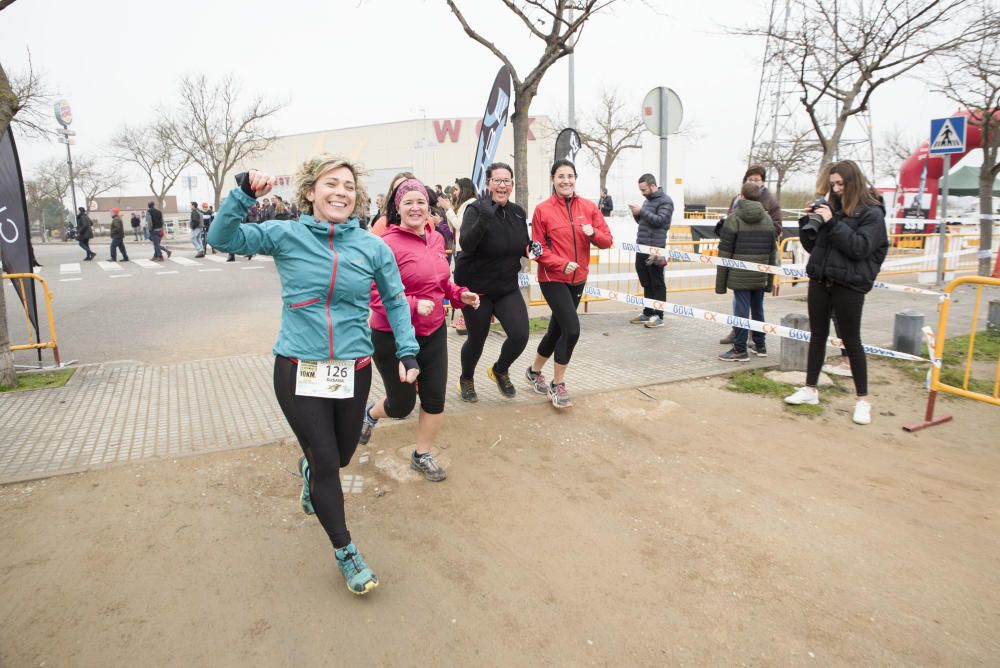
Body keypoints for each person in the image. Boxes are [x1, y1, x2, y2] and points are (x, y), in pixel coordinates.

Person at [207, 156, 420, 596]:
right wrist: (244, 194)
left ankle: (310, 468)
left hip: (351, 369)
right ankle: (346, 552)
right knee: (328, 464)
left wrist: (408, 351)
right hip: (298, 368)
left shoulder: (371, 246)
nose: (340, 192)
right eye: (331, 184)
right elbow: (221, 236)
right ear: (310, 192)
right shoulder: (286, 234)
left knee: (339, 457)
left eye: (347, 186)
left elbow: (396, 301)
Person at [360, 178, 480, 482]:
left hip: (434, 331)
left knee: (434, 397)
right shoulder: (384, 243)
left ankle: (422, 453)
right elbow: (373, 294)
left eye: (421, 202)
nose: (416, 208)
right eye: (408, 202)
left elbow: (441, 283)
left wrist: (458, 294)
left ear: (429, 207)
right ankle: (371, 413)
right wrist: (412, 305)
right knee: (401, 405)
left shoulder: (437, 239)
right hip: (391, 335)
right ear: (397, 208)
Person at [784, 160, 889, 426]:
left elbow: (859, 248)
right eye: (833, 185)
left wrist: (832, 223)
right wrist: (808, 222)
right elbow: (814, 246)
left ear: (854, 182)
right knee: (817, 336)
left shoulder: (872, 213)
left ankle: (863, 400)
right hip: (821, 279)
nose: (837, 189)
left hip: (850, 284)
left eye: (841, 184)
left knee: (852, 341)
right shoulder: (833, 208)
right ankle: (810, 389)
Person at [526, 159, 613, 408]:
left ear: (575, 178)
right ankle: (557, 384)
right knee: (571, 330)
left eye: (570, 176)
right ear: (553, 179)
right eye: (561, 176)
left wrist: (592, 234)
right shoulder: (543, 210)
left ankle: (533, 372)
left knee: (556, 329)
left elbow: (607, 240)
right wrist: (560, 264)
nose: (566, 180)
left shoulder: (588, 207)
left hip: (578, 278)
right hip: (553, 277)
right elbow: (537, 248)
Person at [453, 162, 530, 402]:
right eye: (497, 180)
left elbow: (522, 243)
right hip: (477, 289)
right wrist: (486, 216)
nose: (502, 185)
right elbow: (466, 243)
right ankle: (466, 378)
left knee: (520, 335)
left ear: (512, 185)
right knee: (477, 339)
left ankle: (500, 370)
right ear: (488, 184)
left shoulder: (518, 212)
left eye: (507, 180)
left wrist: (532, 248)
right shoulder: (476, 209)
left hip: (506, 286)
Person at [719, 164, 783, 347]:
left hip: (758, 254)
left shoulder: (770, 201)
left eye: (757, 179)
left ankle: (747, 341)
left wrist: (757, 229)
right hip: (741, 255)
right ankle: (745, 335)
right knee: (742, 301)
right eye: (751, 179)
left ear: (763, 182)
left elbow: (777, 227)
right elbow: (729, 221)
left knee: (752, 302)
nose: (754, 182)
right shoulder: (736, 199)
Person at [627, 174, 673, 328]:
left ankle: (658, 316)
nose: (642, 193)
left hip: (656, 249)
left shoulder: (666, 201)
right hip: (642, 246)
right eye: (641, 190)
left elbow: (660, 221)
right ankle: (647, 312)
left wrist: (641, 211)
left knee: (657, 283)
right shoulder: (647, 201)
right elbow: (644, 221)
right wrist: (636, 215)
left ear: (653, 186)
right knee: (646, 281)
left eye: (644, 189)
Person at [446, 178, 478, 335]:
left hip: (464, 249)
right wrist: (450, 209)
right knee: (461, 284)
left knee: (464, 284)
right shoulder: (463, 205)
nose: (454, 193)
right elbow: (454, 226)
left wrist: (449, 210)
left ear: (464, 189)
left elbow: (460, 225)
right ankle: (465, 318)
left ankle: (466, 319)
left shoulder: (470, 204)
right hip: (459, 248)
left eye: (457, 190)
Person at [370, 172, 416, 236]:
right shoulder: (383, 223)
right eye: (396, 190)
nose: (400, 193)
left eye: (405, 188)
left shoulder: (427, 221)